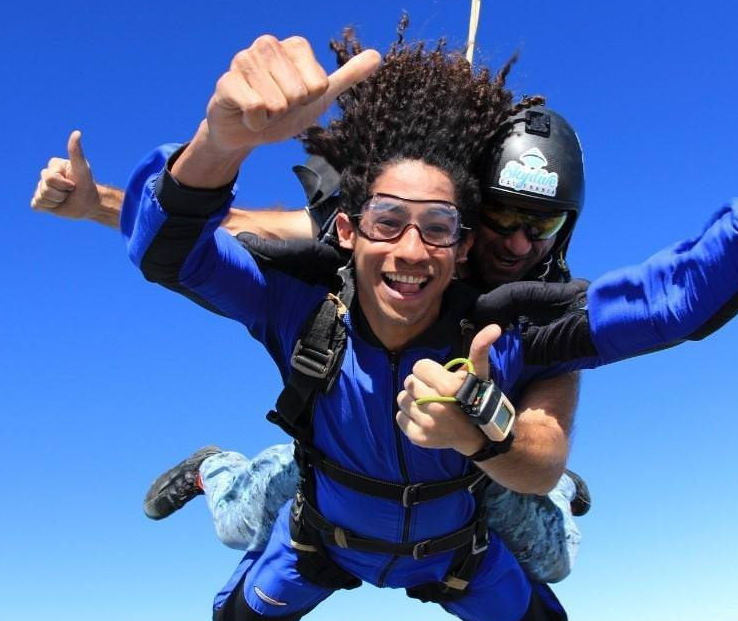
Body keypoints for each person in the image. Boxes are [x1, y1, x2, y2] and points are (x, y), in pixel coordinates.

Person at [118, 25, 738, 621]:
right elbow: (170, 251)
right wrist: (218, 144)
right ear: (346, 230)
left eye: (438, 227)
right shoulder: (300, 307)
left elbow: (675, 300)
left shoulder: (515, 329)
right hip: (326, 537)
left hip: (450, 552)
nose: (410, 249)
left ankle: (553, 502)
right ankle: (215, 468)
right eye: (387, 221)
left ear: (459, 245)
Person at [31, 49, 592, 581]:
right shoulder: (382, 233)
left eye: (540, 225)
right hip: (341, 446)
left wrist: (500, 446)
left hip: (476, 457)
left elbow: (541, 446)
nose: (518, 244)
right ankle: (213, 469)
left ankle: (563, 489)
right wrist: (94, 204)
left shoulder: (546, 311)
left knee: (553, 556)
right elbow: (232, 229)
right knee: (239, 521)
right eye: (501, 214)